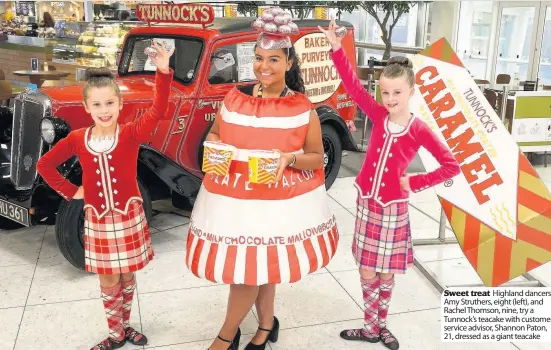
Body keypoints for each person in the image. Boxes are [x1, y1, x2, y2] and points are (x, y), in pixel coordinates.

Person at [185, 7, 339, 350]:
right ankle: (266, 325)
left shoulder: (302, 108)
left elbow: (316, 157)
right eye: (258, 58)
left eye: (273, 60)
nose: (264, 67)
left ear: (288, 64)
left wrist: (288, 159)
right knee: (254, 268)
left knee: (250, 270)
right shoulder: (234, 98)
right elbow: (213, 135)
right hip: (233, 201)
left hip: (276, 205)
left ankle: (225, 337)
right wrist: (216, 149)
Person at [319, 18, 460, 350]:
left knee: (385, 273)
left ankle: (380, 325)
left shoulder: (419, 129)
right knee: (367, 270)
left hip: (394, 209)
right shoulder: (378, 115)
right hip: (368, 204)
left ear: (411, 91)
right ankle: (371, 327)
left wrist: (416, 180)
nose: (390, 98)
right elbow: (353, 85)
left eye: (397, 92)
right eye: (385, 92)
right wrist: (337, 48)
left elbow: (451, 165)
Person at [36, 41, 174, 350]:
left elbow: (160, 109)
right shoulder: (76, 138)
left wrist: (163, 71)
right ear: (86, 108)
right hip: (98, 222)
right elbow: (44, 165)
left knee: (126, 276)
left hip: (128, 217)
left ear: (120, 104)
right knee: (108, 280)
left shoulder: (130, 133)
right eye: (97, 105)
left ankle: (125, 327)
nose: (104, 110)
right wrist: (72, 191)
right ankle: (114, 335)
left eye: (110, 103)